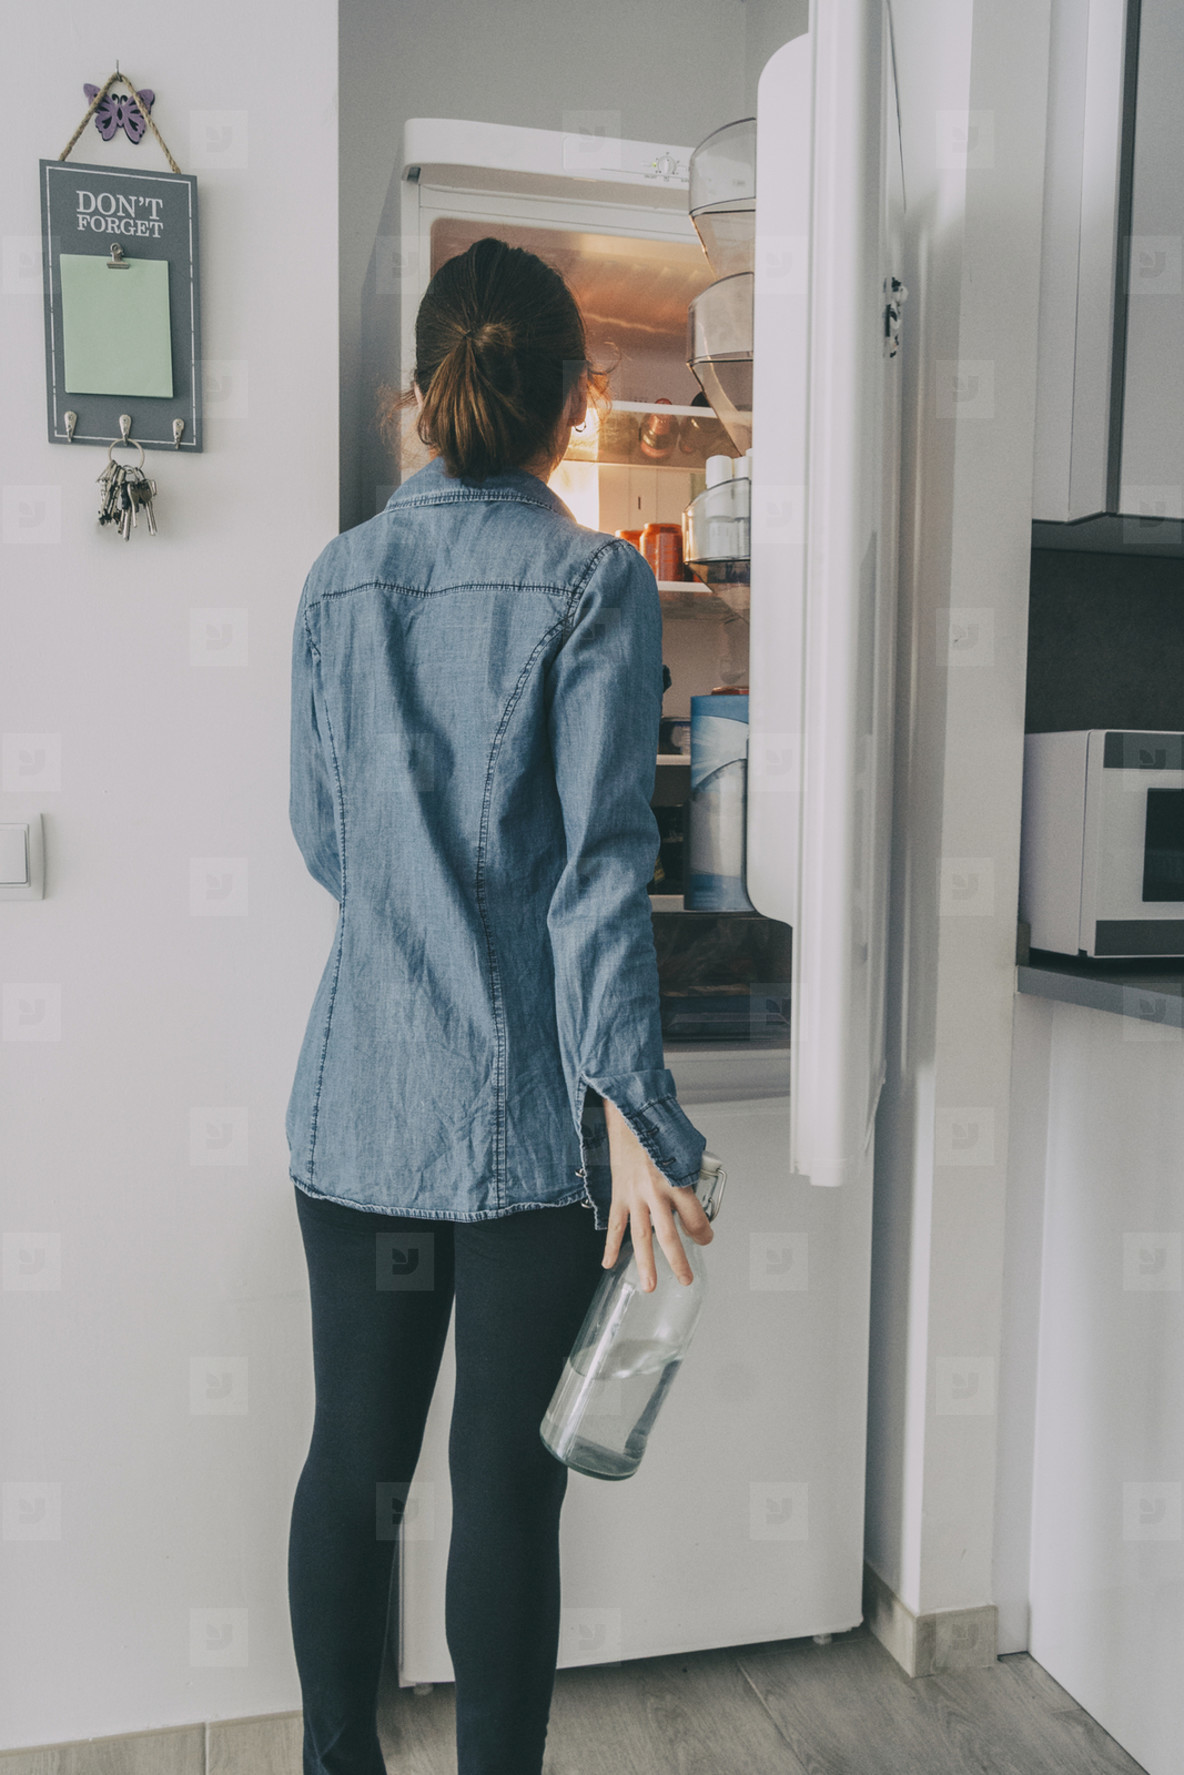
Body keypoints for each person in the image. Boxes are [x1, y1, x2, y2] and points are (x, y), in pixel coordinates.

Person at [285, 234, 712, 1775]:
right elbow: (600, 874)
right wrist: (641, 1113)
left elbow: (324, 841)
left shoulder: (335, 581)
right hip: (524, 1135)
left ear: (422, 390)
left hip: (354, 1110)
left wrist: (417, 911)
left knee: (354, 1466)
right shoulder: (594, 584)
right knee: (502, 1486)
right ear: (577, 405)